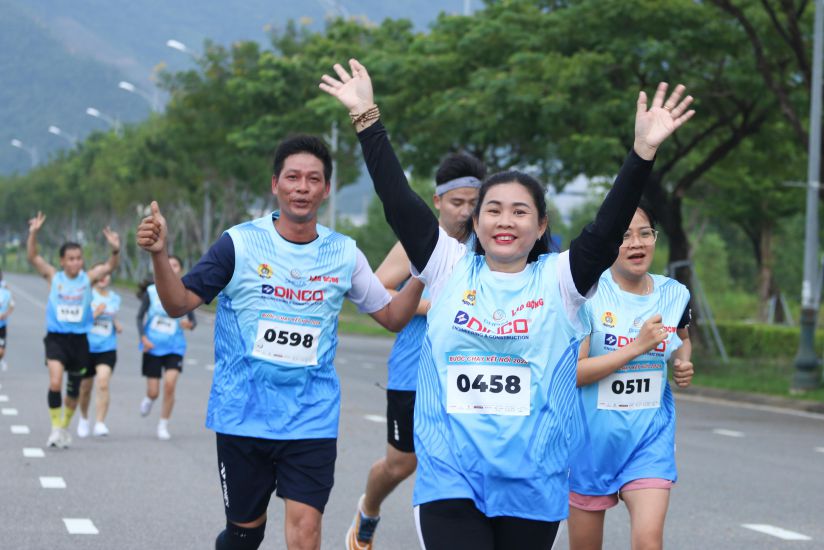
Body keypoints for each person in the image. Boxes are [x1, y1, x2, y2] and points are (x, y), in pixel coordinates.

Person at [320, 58, 694, 549]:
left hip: (534, 482)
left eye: (521, 211)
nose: (505, 220)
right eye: (492, 209)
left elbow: (605, 231)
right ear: (475, 224)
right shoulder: (447, 265)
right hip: (452, 479)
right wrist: (367, 118)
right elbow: (398, 200)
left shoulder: (561, 280)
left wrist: (642, 152)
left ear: (540, 227)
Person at [136, 134, 425, 550]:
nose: (302, 187)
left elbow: (393, 317)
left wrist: (422, 270)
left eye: (313, 179)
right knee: (244, 536)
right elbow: (179, 303)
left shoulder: (344, 254)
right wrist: (160, 255)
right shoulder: (239, 244)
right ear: (276, 184)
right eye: (293, 177)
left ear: (326, 190)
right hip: (243, 414)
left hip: (311, 417)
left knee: (306, 532)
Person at [347, 153, 485, 550]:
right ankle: (368, 509)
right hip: (413, 369)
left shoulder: (488, 246)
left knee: (465, 460)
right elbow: (373, 291)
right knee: (401, 462)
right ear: (437, 201)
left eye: (473, 204)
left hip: (467, 373)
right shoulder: (418, 242)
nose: (465, 212)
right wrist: (436, 303)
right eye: (456, 203)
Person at [567, 204, 694, 550]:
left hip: (649, 439)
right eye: (623, 236)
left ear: (655, 237)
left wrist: (682, 361)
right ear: (608, 242)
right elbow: (573, 374)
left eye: (644, 233)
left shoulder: (674, 294)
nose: (635, 243)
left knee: (649, 542)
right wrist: (635, 348)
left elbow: (681, 338)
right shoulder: (586, 295)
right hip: (590, 442)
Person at [27, 212, 120, 449]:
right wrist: (33, 233)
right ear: (62, 261)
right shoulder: (53, 277)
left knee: (73, 391)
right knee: (56, 381)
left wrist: (115, 250)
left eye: (78, 258)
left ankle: (63, 427)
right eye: (70, 259)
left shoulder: (87, 279)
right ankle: (55, 428)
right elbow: (33, 256)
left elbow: (109, 267)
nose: (75, 262)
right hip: (57, 339)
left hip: (80, 341)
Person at [136, 255, 196, 441]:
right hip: (153, 347)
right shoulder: (151, 292)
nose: (172, 268)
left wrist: (189, 325)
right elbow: (140, 317)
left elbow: (192, 321)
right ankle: (149, 398)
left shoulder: (184, 292)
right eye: (168, 264)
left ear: (180, 269)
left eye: (175, 265)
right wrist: (143, 338)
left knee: (170, 385)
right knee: (154, 391)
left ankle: (163, 423)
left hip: (174, 347)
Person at [76, 266, 123, 438]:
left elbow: (112, 317)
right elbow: (78, 320)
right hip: (86, 347)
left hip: (107, 348)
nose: (104, 278)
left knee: (103, 383)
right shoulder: (85, 295)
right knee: (85, 387)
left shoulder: (115, 298)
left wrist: (117, 325)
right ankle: (83, 418)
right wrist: (95, 313)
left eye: (107, 274)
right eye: (101, 274)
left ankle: (100, 423)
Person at [0, 271, 15, 371]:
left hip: (2, 326)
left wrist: (5, 314)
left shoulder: (5, 291)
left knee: (1, 351)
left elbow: (12, 305)